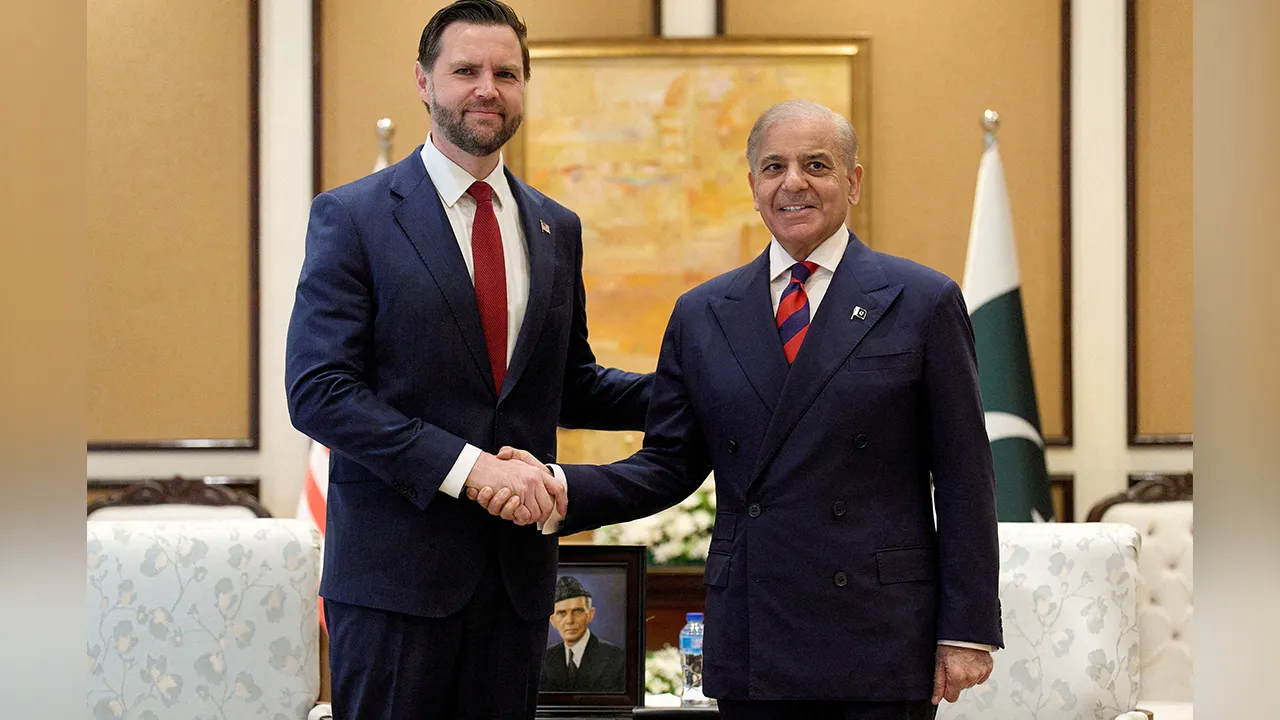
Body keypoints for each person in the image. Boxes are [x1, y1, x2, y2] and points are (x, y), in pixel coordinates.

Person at [476, 100, 1002, 720]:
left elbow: (966, 478)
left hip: (879, 633)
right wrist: (561, 487)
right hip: (757, 628)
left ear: (853, 182)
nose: (794, 182)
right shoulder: (703, 313)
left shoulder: (922, 300)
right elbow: (669, 464)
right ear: (753, 187)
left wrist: (966, 629)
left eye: (817, 165)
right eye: (774, 167)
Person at [284, 1, 651, 717]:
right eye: (466, 70)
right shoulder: (353, 216)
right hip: (395, 588)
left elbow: (567, 385)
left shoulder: (555, 227)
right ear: (424, 82)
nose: (488, 87)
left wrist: (705, 383)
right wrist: (468, 468)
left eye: (506, 73)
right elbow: (320, 391)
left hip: (516, 589)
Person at [541, 575, 626, 693]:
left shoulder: (616, 659)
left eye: (577, 611)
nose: (570, 621)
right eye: (562, 613)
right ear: (552, 620)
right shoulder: (544, 660)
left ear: (590, 615)